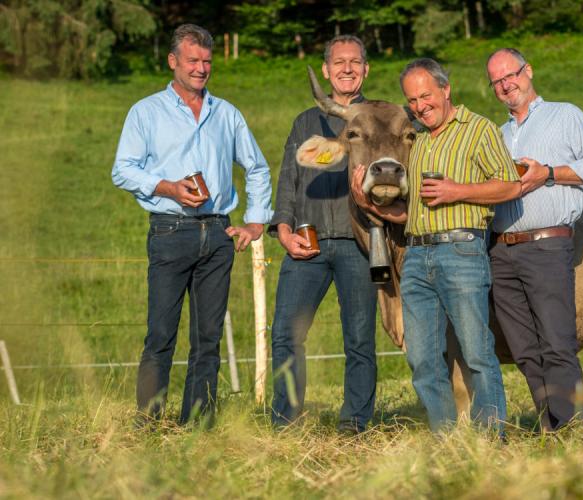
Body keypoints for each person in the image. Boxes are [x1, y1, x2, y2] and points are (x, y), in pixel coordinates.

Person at [112, 24, 273, 426]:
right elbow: (122, 170)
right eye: (193, 61)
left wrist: (255, 221)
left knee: (208, 338)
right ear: (173, 62)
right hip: (170, 231)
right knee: (161, 335)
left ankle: (198, 424)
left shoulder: (227, 114)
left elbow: (256, 168)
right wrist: (167, 187)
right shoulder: (145, 112)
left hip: (218, 234)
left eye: (207, 61)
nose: (201, 69)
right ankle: (149, 421)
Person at [353, 58, 521, 433]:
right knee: (424, 359)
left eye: (425, 95)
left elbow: (510, 186)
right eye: (411, 100)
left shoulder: (478, 130)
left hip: (461, 251)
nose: (419, 106)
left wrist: (457, 191)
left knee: (477, 353)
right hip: (416, 254)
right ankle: (443, 436)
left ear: (445, 90)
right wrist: (367, 203)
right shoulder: (416, 140)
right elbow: (408, 212)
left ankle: (491, 435)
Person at [486, 48, 583, 431]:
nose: (506, 84)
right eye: (497, 81)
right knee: (524, 350)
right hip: (502, 251)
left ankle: (572, 428)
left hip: (546, 244)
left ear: (528, 71)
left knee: (556, 344)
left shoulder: (565, 115)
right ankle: (550, 426)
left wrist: (550, 173)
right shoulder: (498, 135)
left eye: (511, 74)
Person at [268, 35, 377, 434]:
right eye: (338, 62)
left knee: (360, 342)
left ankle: (355, 424)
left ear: (366, 69)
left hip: (361, 244)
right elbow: (289, 179)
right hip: (306, 244)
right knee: (286, 335)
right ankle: (286, 420)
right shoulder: (305, 121)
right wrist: (282, 227)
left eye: (355, 62)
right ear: (327, 69)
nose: (347, 68)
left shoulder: (379, 117)